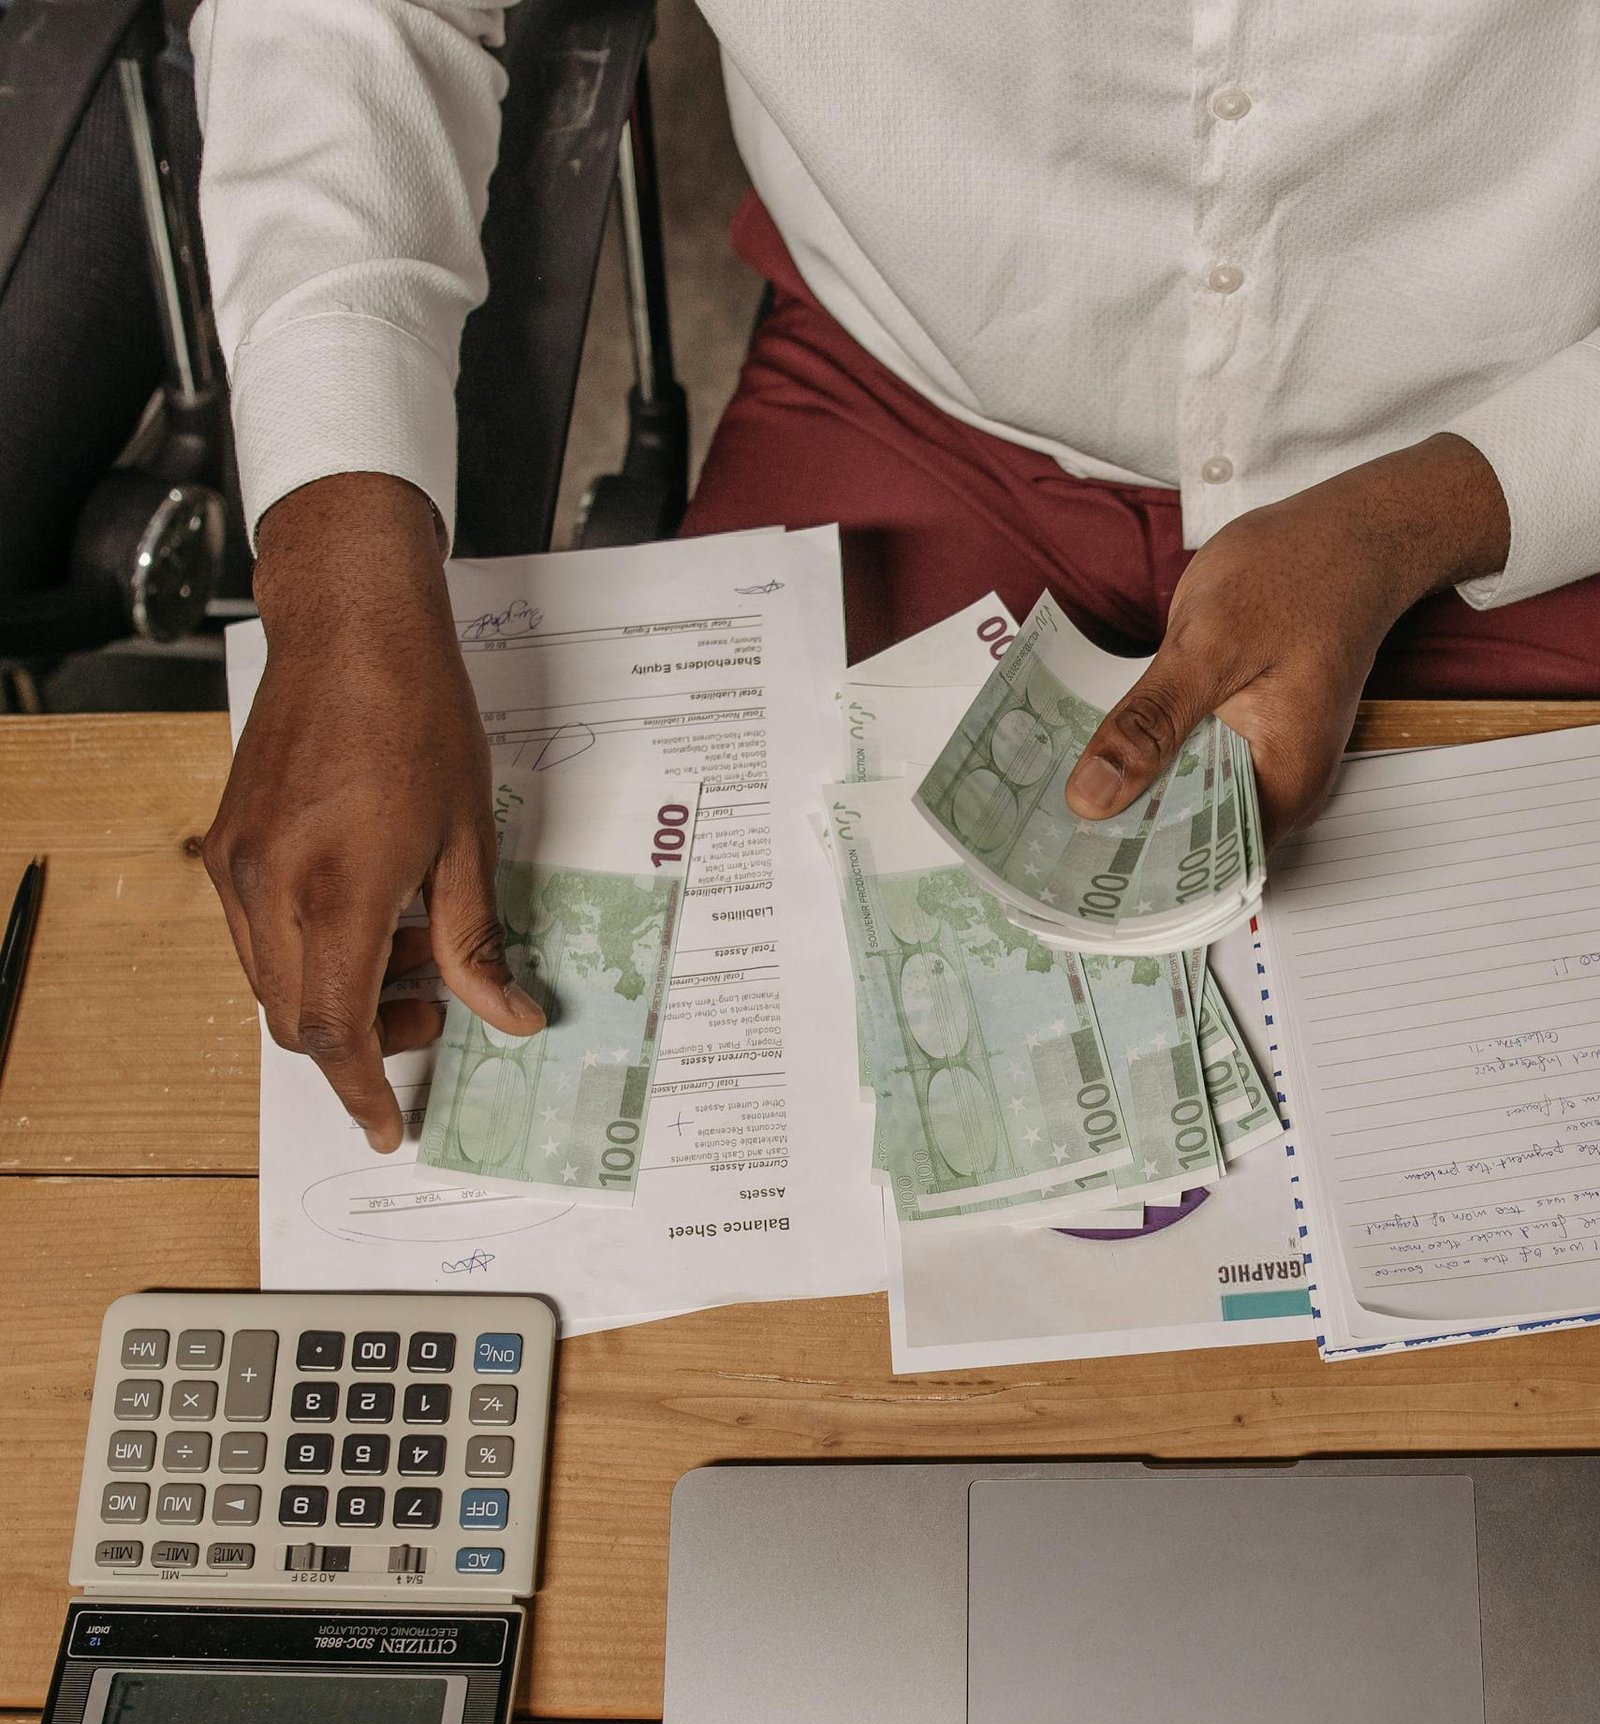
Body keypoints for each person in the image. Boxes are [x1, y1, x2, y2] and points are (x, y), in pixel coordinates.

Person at [189, 0, 1600, 1150]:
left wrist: (1427, 515)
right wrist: (341, 571)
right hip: (919, 400)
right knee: (730, 1128)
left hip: (1515, 460)